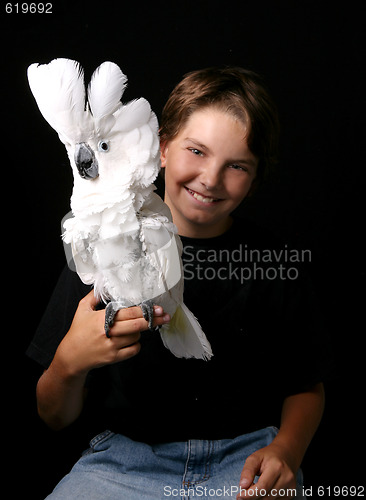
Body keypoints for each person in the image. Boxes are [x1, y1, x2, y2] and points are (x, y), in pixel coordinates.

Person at [27, 67, 332, 499]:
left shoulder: (272, 262)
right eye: (196, 151)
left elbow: (306, 384)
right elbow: (52, 415)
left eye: (237, 165)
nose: (210, 178)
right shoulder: (96, 243)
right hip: (124, 464)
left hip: (243, 461)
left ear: (257, 175)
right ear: (163, 147)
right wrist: (68, 362)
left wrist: (286, 450)